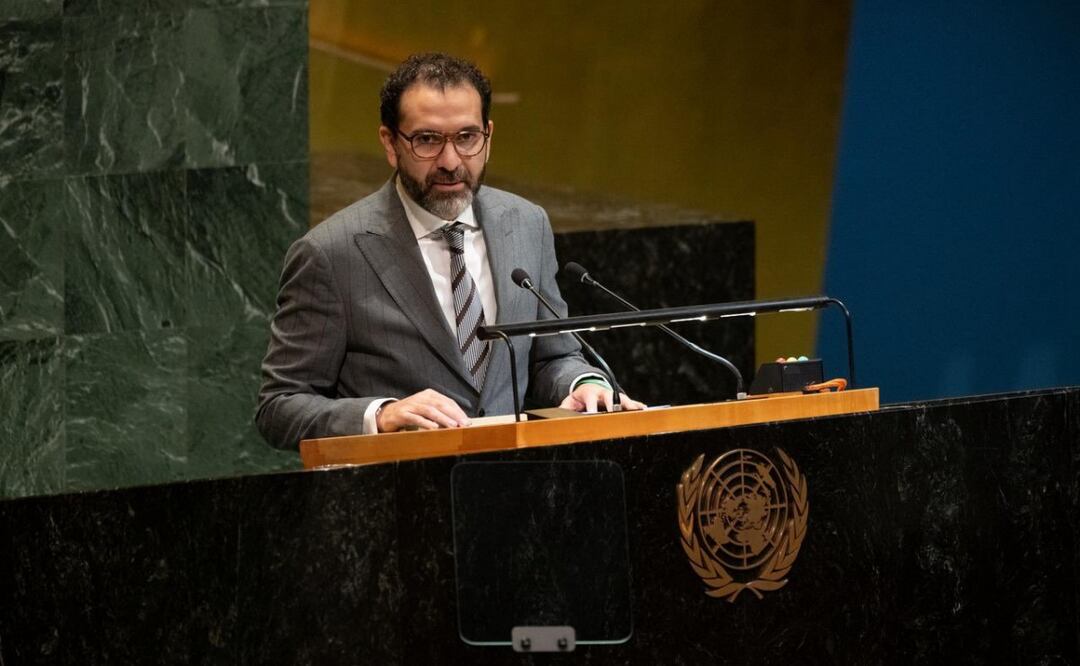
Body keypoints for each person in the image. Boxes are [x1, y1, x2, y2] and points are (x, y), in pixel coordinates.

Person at [257, 52, 642, 449]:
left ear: (488, 136)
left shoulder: (527, 224)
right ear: (390, 143)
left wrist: (584, 383)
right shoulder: (331, 253)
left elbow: (551, 356)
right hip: (401, 483)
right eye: (427, 140)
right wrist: (381, 415)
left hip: (517, 478)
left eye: (466, 137)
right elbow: (279, 406)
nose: (450, 160)